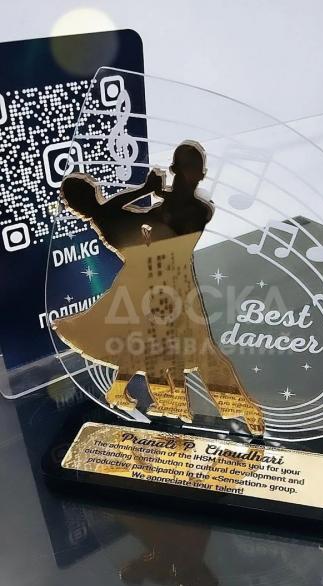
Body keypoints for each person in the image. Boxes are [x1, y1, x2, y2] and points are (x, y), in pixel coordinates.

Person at [54, 141, 264, 436]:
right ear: (200, 173)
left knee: (181, 349)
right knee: (169, 349)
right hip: (158, 283)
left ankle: (206, 405)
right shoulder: (167, 211)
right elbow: (121, 215)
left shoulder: (178, 211)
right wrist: (148, 191)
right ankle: (180, 405)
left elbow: (138, 219)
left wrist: (148, 191)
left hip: (169, 284)